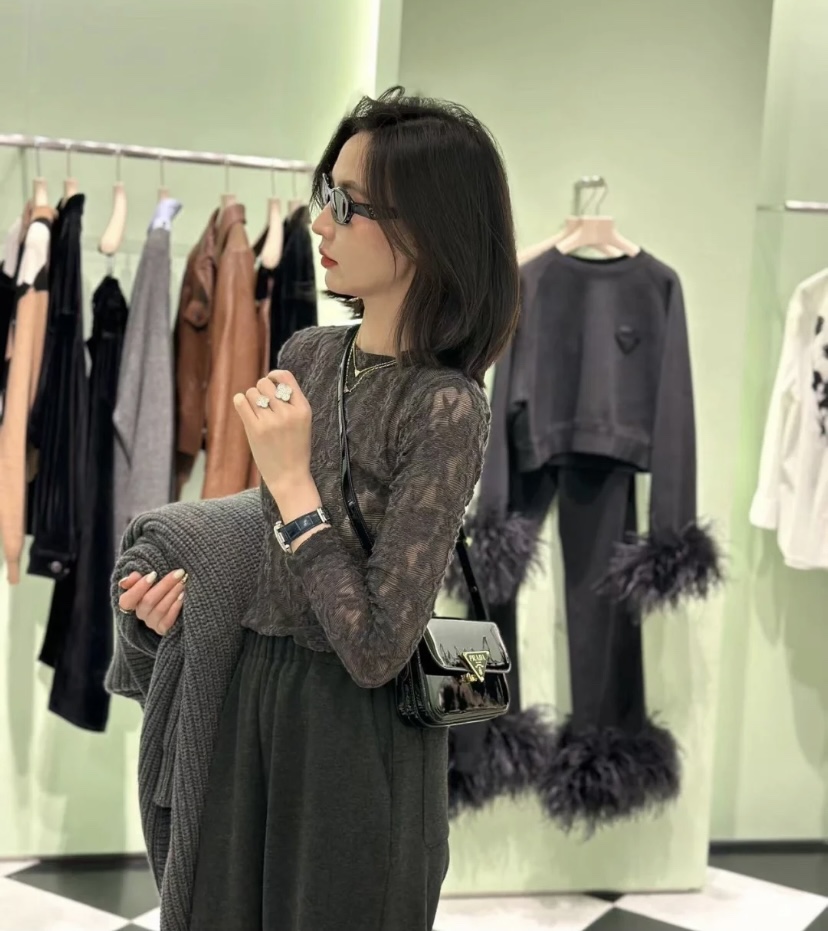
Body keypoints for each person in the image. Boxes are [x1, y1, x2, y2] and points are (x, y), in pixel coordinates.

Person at [117, 86, 519, 931]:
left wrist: (294, 486)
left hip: (358, 738)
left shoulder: (447, 406)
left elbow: (375, 646)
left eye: (348, 204)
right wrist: (176, 613)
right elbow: (272, 569)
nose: (320, 221)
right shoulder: (307, 352)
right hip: (251, 698)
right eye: (325, 193)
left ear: (426, 228)